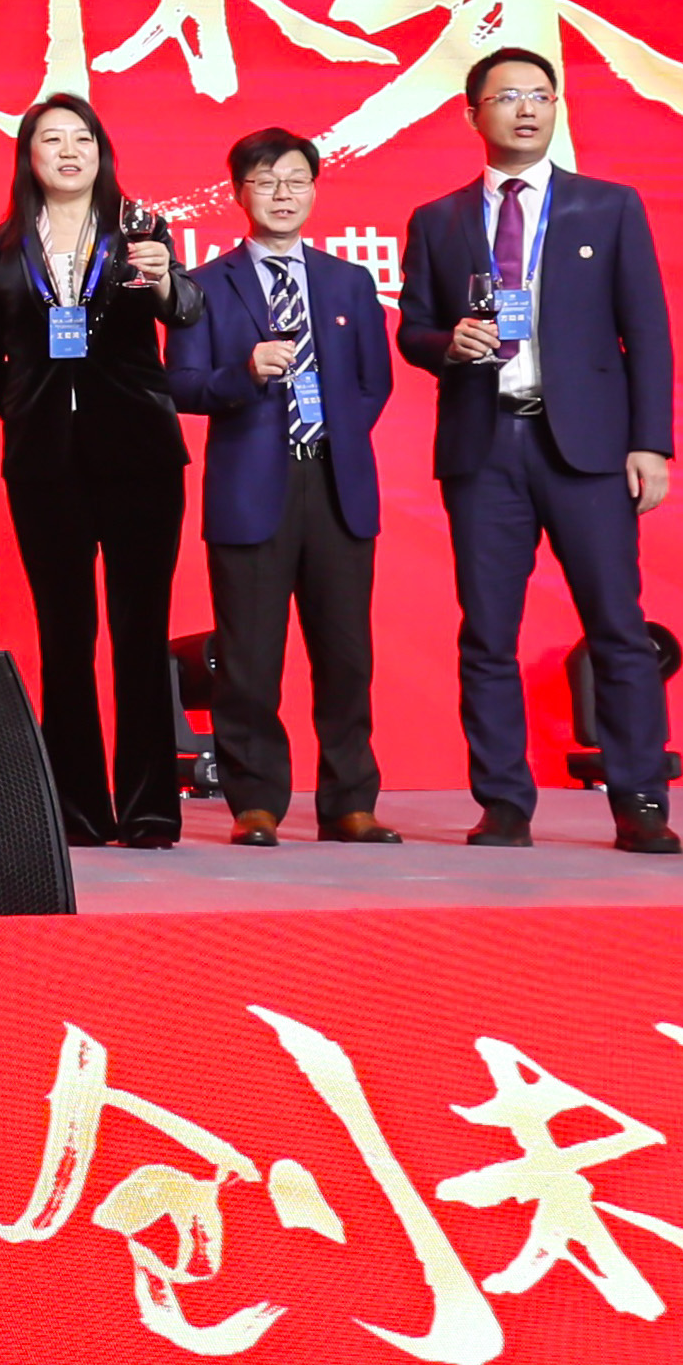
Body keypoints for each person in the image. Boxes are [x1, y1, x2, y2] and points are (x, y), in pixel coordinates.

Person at [397, 47, 680, 853]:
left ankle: (640, 799)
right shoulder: (439, 219)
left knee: (617, 625)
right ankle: (503, 803)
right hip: (485, 449)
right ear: (472, 114)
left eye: (541, 95)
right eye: (508, 96)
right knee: (487, 632)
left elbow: (647, 332)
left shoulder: (607, 207)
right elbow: (412, 328)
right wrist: (447, 343)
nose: (527, 109)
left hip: (587, 451)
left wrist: (649, 444)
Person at [0, 94, 204, 848]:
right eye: (52, 139)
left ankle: (150, 809)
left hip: (140, 455)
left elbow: (186, 311)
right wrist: (30, 410)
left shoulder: (141, 230)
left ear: (102, 152)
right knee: (64, 635)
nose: (69, 152)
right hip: (44, 466)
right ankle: (77, 809)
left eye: (83, 139)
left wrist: (160, 279)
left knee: (141, 630)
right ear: (27, 155)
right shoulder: (1, 248)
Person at [165, 131, 398, 847]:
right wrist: (243, 373)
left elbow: (374, 382)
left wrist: (333, 439)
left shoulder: (348, 281)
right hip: (250, 487)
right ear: (239, 193)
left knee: (346, 655)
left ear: (314, 190)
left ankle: (350, 802)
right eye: (266, 182)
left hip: (335, 484)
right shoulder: (207, 284)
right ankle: (256, 801)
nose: (283, 195)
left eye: (296, 181)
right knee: (249, 660)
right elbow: (181, 384)